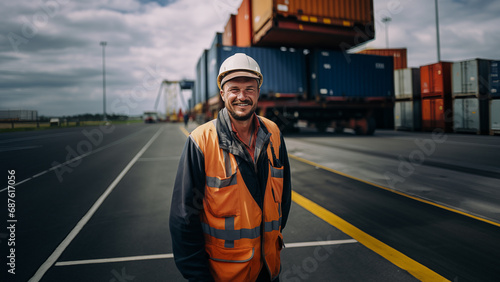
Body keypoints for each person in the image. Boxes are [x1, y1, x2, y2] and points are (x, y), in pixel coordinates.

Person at [169, 53, 292, 282]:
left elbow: (284, 199)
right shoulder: (201, 141)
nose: (242, 96)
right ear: (222, 93)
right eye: (234, 89)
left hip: (269, 270)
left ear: (258, 92)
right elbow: (183, 219)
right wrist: (199, 277)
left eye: (249, 89)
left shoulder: (274, 133)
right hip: (225, 275)